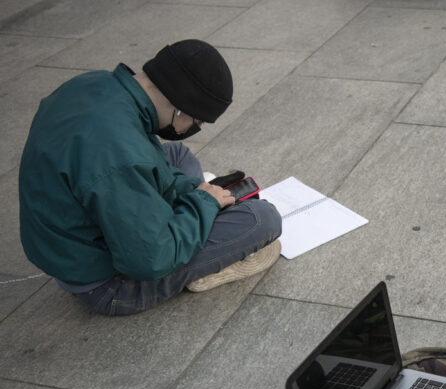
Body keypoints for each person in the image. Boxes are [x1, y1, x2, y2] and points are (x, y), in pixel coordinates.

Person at [18, 39, 282, 316]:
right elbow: (150, 260)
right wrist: (203, 203)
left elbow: (132, 169)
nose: (198, 127)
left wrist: (197, 191)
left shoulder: (91, 83)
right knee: (261, 218)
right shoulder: (124, 159)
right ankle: (209, 265)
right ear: (181, 107)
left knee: (179, 154)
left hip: (73, 238)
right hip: (108, 285)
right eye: (198, 121)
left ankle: (192, 217)